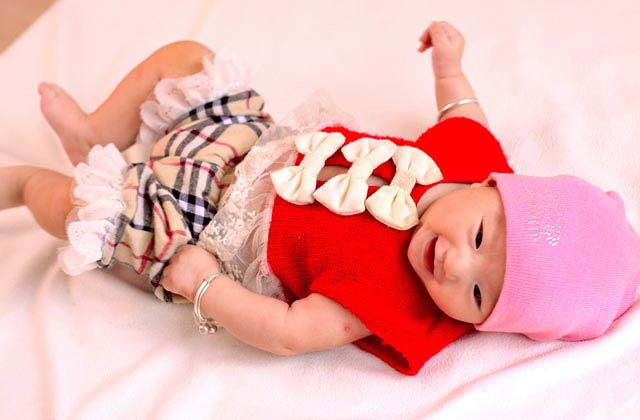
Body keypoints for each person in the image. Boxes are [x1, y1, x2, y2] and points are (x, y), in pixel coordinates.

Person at [2, 21, 639, 376]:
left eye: (477, 295)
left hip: (201, 227)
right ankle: (94, 133)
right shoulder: (470, 156)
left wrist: (204, 285)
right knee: (188, 58)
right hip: (251, 141)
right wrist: (450, 65)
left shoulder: (393, 301)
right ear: (490, 186)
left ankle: (23, 184)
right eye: (478, 239)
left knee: (86, 211)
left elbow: (289, 334)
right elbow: (464, 112)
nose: (454, 265)